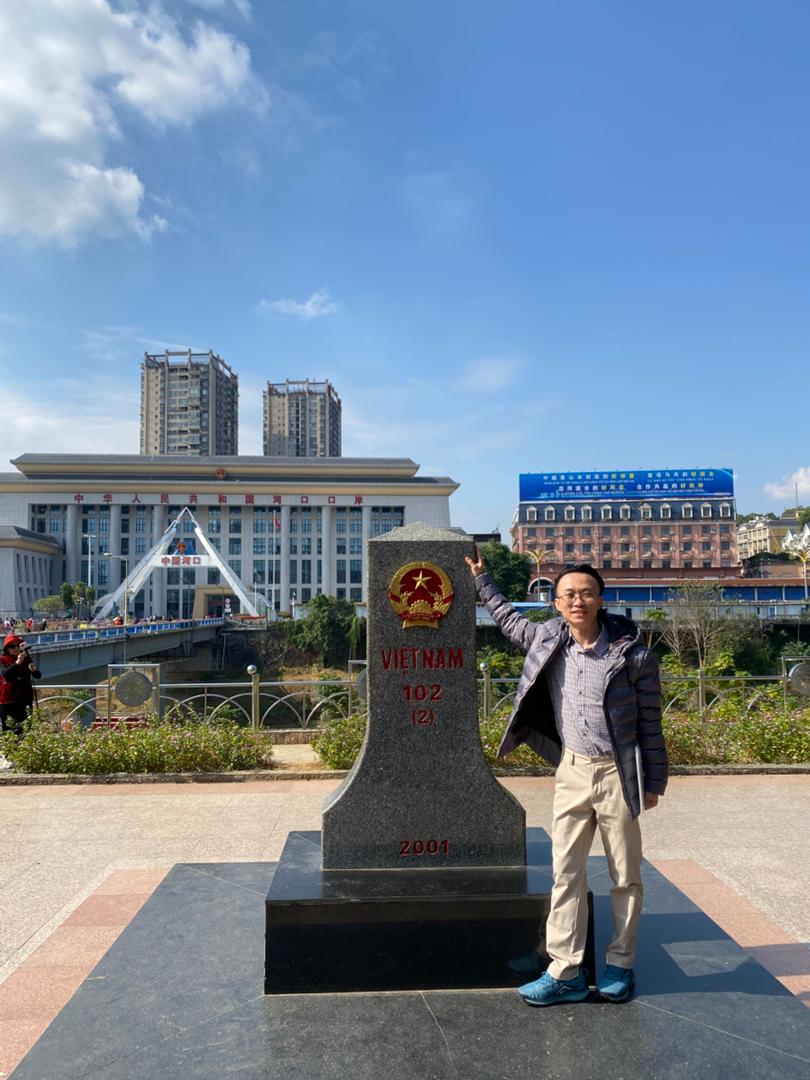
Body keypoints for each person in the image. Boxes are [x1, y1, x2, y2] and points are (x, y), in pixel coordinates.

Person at [465, 553, 668, 1006]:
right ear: (556, 603)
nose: (578, 601)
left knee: (625, 875)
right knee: (566, 874)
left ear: (601, 599)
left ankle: (620, 964)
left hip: (618, 773)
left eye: (586, 593)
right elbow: (507, 619)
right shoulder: (547, 640)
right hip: (572, 770)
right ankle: (566, 971)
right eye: (568, 595)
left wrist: (654, 780)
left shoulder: (633, 656)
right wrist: (482, 579)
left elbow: (651, 723)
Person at [0, 635, 42, 733]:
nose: (16, 648)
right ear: (7, 649)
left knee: (26, 730)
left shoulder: (26, 659)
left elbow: (38, 676)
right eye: (12, 647)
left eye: (18, 646)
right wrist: (18, 662)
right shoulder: (2, 660)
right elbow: (5, 674)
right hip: (8, 702)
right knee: (11, 732)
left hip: (25, 700)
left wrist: (34, 670)